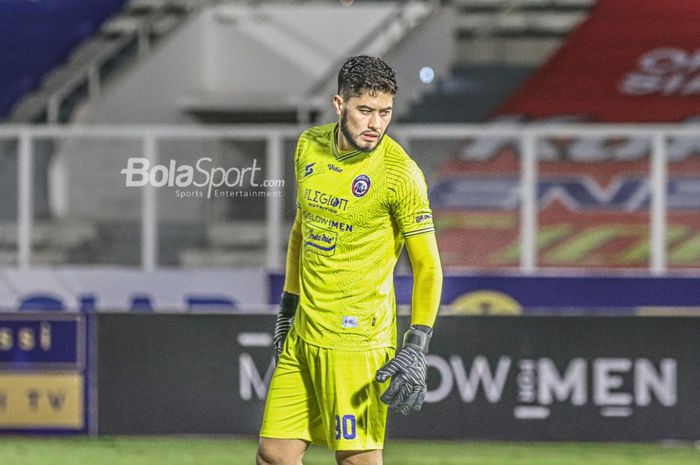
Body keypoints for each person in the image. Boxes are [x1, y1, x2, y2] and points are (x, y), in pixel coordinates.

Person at [257, 55, 443, 465]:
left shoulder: (400, 175)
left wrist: (417, 344)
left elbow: (428, 266)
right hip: (304, 332)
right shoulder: (308, 146)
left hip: (357, 340)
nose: (376, 123)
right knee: (274, 455)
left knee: (356, 459)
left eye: (385, 112)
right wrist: (287, 309)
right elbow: (301, 232)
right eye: (365, 111)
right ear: (340, 105)